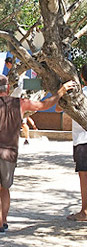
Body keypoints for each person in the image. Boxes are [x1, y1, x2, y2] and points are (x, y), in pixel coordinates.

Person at [0, 75, 76, 233]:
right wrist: (60, 92)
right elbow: (43, 105)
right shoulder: (20, 103)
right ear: (8, 88)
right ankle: (5, 221)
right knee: (5, 188)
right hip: (9, 152)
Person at [57, 64, 87, 221]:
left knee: (84, 176)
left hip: (82, 141)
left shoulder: (79, 96)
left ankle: (85, 211)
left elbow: (57, 109)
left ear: (81, 77)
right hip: (81, 140)